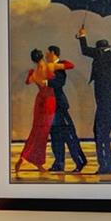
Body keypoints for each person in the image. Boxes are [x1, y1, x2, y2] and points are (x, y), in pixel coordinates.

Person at [77, 27, 111, 175]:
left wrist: (82, 36)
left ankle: (105, 166)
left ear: (101, 50)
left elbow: (85, 51)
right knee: (103, 135)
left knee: (100, 134)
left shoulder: (103, 57)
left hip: (105, 104)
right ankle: (108, 166)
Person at [44, 44, 85, 173]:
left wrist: (46, 82)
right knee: (55, 136)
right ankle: (59, 163)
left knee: (68, 135)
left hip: (59, 106)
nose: (46, 55)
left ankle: (79, 161)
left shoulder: (60, 66)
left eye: (47, 53)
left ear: (53, 53)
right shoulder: (49, 66)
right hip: (51, 106)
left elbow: (60, 82)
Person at [15, 48, 56, 173]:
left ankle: (25, 158)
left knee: (36, 132)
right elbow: (67, 67)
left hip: (40, 101)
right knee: (42, 134)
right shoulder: (49, 67)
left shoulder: (34, 73)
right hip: (49, 101)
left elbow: (28, 82)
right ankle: (36, 162)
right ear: (42, 56)